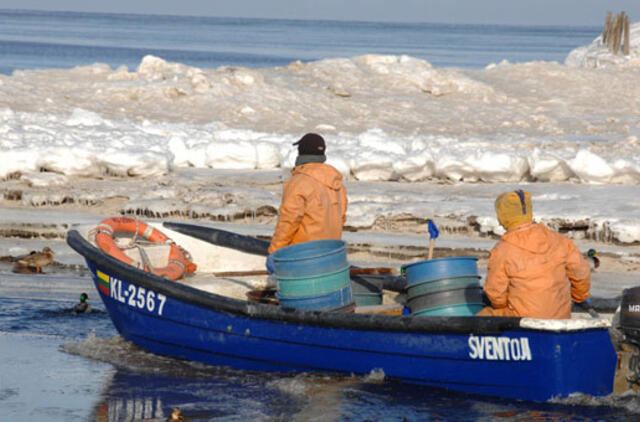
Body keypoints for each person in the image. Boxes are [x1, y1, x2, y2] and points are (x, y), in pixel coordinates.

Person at [477, 190, 591, 319]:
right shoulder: (560, 241)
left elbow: (496, 293)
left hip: (521, 320)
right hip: (560, 316)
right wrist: (579, 296)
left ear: (503, 216)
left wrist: (502, 306)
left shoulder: (503, 250)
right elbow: (581, 272)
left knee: (481, 318)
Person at [266, 133, 348, 273]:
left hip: (303, 256)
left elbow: (288, 222)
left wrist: (275, 252)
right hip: (330, 256)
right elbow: (341, 218)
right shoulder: (336, 183)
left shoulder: (299, 182)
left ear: (301, 153)